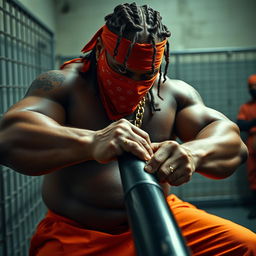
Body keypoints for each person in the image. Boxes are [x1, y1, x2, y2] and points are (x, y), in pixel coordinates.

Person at [0, 2, 255, 255]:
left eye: (145, 74)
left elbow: (232, 142)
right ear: (100, 48)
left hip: (162, 216)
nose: (132, 84)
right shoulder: (65, 84)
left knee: (247, 246)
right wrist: (90, 142)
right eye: (121, 69)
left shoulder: (172, 92)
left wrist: (194, 153)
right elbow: (9, 136)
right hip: (78, 232)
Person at [237, 74, 256, 219]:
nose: (254, 89)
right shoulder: (246, 107)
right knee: (253, 174)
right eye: (251, 87)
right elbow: (241, 124)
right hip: (252, 143)